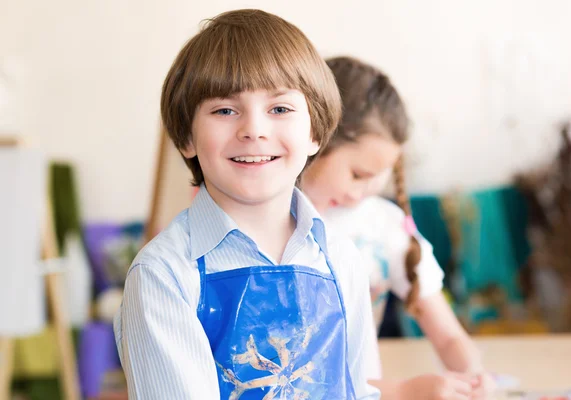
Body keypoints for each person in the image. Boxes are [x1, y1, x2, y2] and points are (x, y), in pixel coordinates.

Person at [114, 11, 381, 399]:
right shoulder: (163, 276)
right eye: (225, 110)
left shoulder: (341, 258)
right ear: (186, 137)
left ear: (315, 132)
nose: (254, 129)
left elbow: (364, 389)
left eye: (280, 109)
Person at [301, 56, 495, 400]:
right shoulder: (269, 227)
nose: (359, 193)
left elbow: (450, 337)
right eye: (357, 174)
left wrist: (473, 377)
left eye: (377, 177)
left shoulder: (383, 226)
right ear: (314, 140)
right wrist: (404, 393)